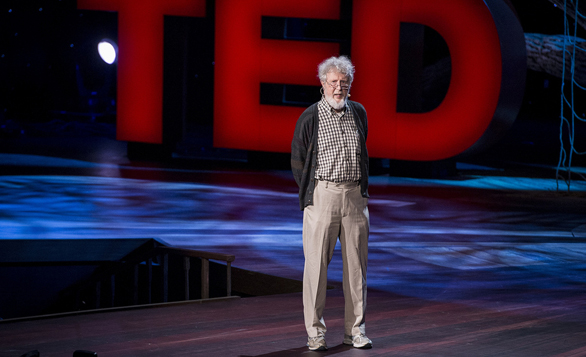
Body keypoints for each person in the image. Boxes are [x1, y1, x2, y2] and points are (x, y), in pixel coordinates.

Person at [291, 56, 371, 351]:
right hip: (322, 196)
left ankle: (355, 331)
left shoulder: (359, 113)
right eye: (333, 82)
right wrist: (312, 193)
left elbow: (363, 153)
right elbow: (298, 160)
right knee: (315, 268)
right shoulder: (310, 116)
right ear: (323, 83)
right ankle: (315, 333)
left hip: (354, 198)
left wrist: (361, 192)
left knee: (356, 270)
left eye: (344, 82)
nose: (339, 87)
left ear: (350, 84)